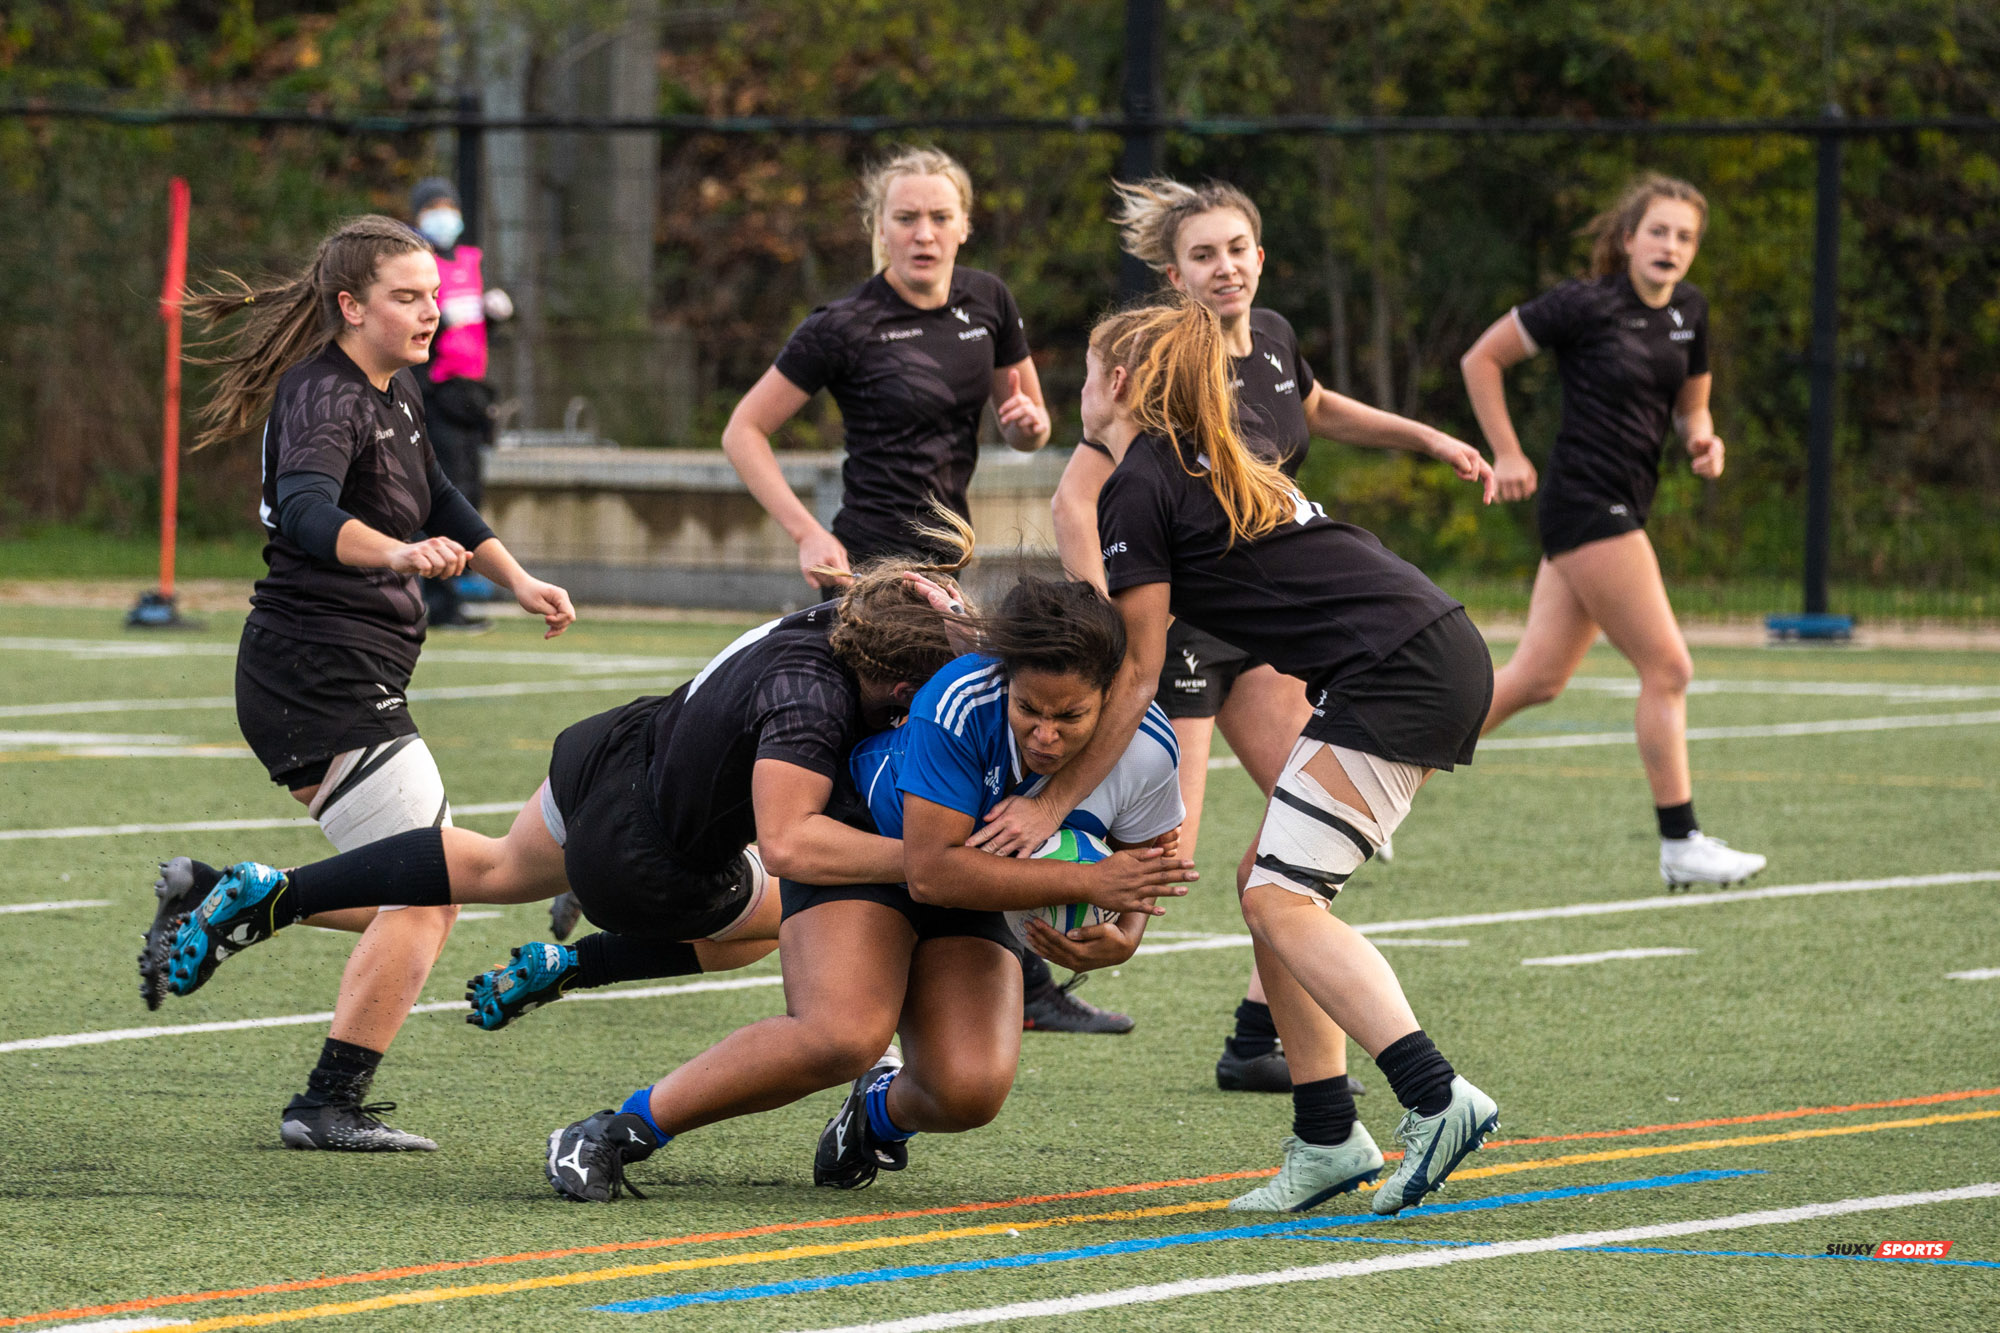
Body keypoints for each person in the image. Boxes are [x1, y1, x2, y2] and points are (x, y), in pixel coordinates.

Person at [976, 295, 1499, 1215]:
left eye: (1090, 371)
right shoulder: (1192, 459)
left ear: (1122, 383)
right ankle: (1328, 1136)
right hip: (1413, 652)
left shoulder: (1142, 477)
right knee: (1269, 887)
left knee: (1279, 897)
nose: (1081, 389)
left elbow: (1137, 669)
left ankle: (1435, 1094)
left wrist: (1051, 803)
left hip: (1401, 668)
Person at [143, 548, 982, 1054]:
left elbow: (915, 588)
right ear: (900, 681)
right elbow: (794, 842)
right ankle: (576, 963)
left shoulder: (844, 612)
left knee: (500, 865)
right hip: (643, 858)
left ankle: (281, 892)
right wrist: (938, 862)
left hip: (608, 754)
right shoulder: (815, 699)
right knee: (770, 923)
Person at [136, 215, 575, 1151]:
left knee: (412, 888)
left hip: (343, 671)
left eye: (432, 295)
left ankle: (229, 893)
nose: (429, 313)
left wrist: (518, 576)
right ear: (351, 305)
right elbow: (304, 511)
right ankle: (325, 1102)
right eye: (406, 297)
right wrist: (400, 553)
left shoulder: (394, 388)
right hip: (317, 672)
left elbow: (444, 498)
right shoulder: (324, 395)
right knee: (431, 892)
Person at [1050, 177, 1495, 1094]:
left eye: (1236, 248)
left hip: (1271, 629)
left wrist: (1426, 439)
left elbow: (1321, 409)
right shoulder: (1159, 391)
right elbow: (1076, 498)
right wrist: (1106, 614)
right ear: (1174, 278)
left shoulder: (1269, 347)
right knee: (1178, 843)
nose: (1224, 267)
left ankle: (1268, 1042)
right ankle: (1044, 955)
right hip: (1181, 628)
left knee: (1283, 863)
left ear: (1261, 256)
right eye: (1203, 255)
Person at [540, 578, 1193, 1203]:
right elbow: (931, 869)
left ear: (1112, 695)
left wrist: (1120, 939)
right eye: (1029, 709)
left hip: (981, 880)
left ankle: (873, 1113)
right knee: (841, 1035)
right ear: (1004, 679)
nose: (1045, 734)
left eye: (1071, 716)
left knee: (969, 1091)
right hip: (867, 843)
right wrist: (1083, 879)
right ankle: (613, 1131)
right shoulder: (961, 698)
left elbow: (1145, 868)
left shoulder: (1148, 748)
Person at [706, 143, 1124, 1037]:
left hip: (950, 567)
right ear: (877, 230)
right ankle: (741, 888)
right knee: (842, 755)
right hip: (869, 576)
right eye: (906, 218)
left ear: (963, 225)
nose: (924, 233)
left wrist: (1028, 421)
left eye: (940, 217)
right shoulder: (842, 324)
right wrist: (806, 530)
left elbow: (1026, 416)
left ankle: (1019, 969)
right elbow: (744, 430)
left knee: (972, 750)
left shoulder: (989, 303)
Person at [1460, 174, 1766, 889]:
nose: (1672, 246)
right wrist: (1507, 451)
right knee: (1670, 668)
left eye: (1686, 236)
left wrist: (1703, 441)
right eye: (1658, 231)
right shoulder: (1583, 304)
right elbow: (1482, 358)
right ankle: (1681, 839)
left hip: (1624, 500)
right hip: (1587, 503)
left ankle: (1374, 772)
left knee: (1535, 679)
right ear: (1627, 240)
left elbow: (1695, 409)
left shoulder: (1690, 311)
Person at [408, 178, 514, 632]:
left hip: (467, 398)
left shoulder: (469, 263)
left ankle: (448, 594)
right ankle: (436, 598)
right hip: (435, 394)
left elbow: (470, 335)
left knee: (464, 496)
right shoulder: (415, 265)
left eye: (449, 206)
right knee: (439, 500)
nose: (443, 215)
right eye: (433, 207)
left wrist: (492, 318)